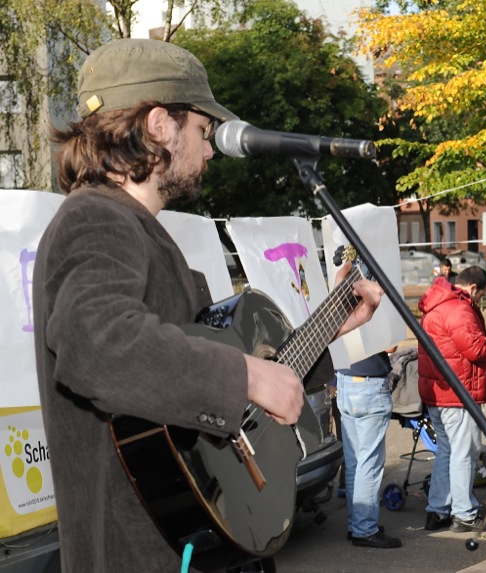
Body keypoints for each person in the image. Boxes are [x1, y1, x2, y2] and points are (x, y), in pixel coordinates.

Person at [30, 39, 383, 572]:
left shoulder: (141, 230)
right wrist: (245, 376)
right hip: (138, 550)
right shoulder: (96, 219)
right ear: (159, 125)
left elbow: (196, 367)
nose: (212, 148)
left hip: (187, 537)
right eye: (202, 128)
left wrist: (328, 328)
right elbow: (98, 343)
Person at [417, 265, 486, 533]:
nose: (479, 300)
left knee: (447, 451)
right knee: (464, 453)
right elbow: (475, 349)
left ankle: (437, 511)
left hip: (438, 393)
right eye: (481, 295)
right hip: (458, 394)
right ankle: (465, 514)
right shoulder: (459, 308)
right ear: (473, 288)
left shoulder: (437, 303)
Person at [336, 349, 401, 549]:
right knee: (369, 463)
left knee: (355, 463)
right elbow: (391, 347)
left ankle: (356, 524)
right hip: (369, 384)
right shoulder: (368, 322)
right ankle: (364, 529)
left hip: (344, 378)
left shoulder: (335, 323)